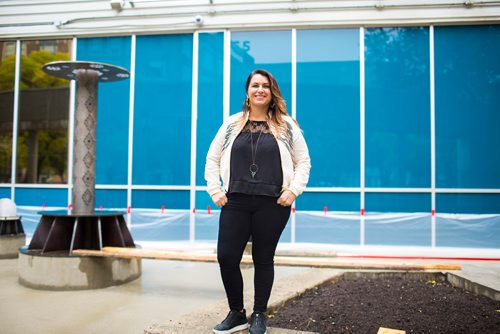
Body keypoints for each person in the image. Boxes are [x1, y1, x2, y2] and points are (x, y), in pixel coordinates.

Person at [205, 69, 311, 334]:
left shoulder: (287, 125)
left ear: (271, 91)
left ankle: (260, 314)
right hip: (236, 201)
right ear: (248, 91)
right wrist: (215, 191)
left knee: (264, 258)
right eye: (255, 85)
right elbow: (212, 159)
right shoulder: (232, 123)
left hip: (272, 204)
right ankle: (237, 313)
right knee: (227, 256)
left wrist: (294, 191)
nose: (260, 90)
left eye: (265, 85)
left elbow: (303, 162)